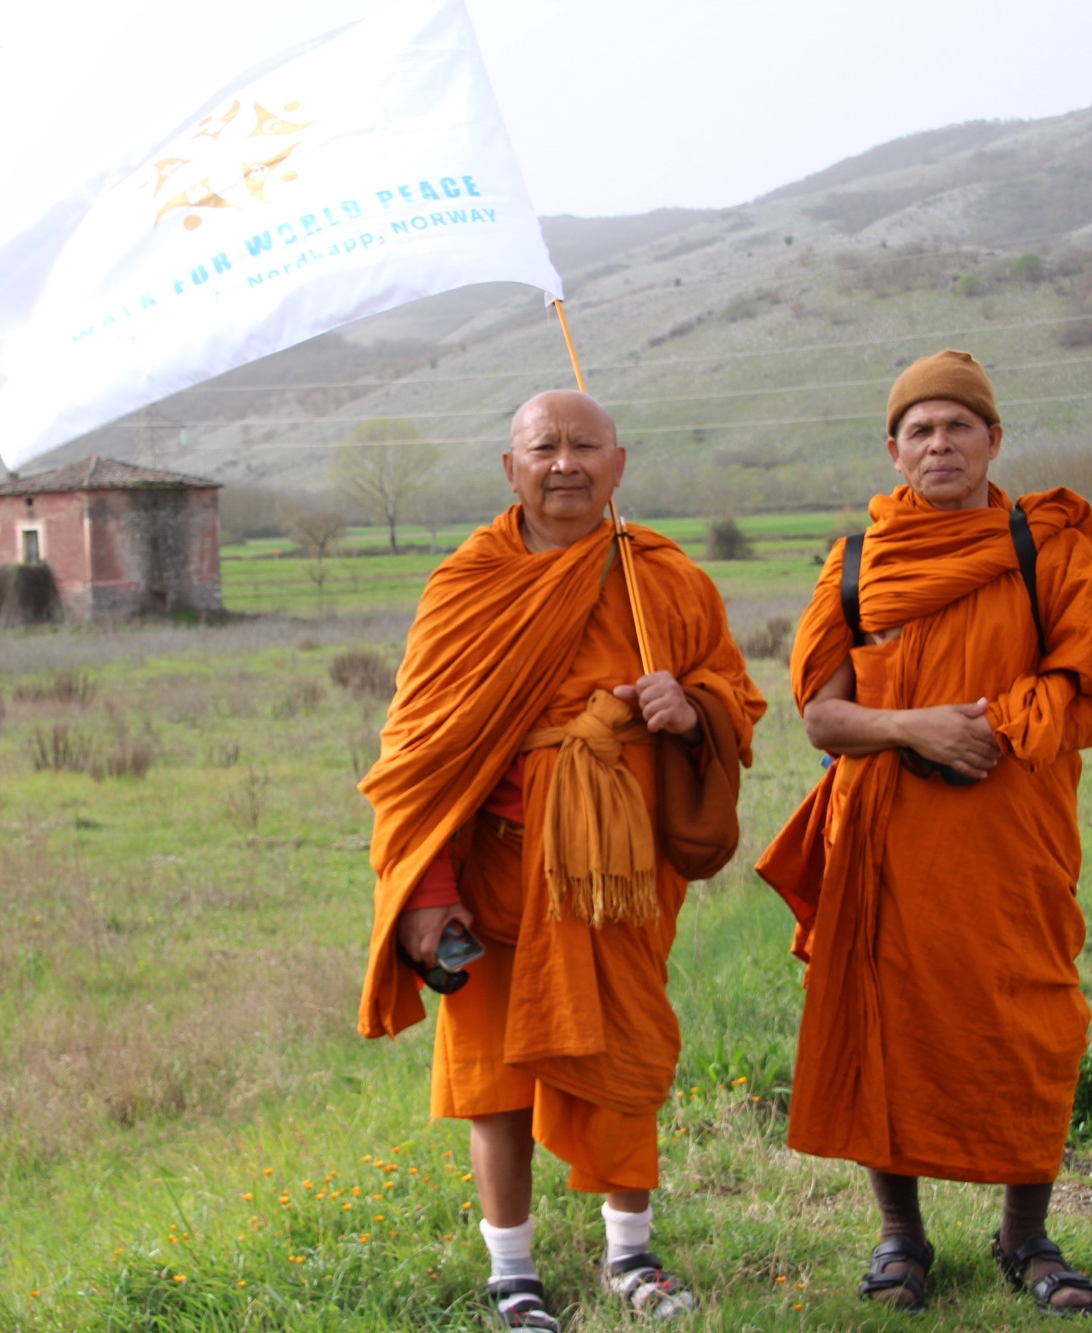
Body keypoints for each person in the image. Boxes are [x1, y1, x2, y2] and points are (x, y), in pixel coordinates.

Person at [756, 350, 1092, 1316]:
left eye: (958, 426)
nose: (939, 444)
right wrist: (915, 726)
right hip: (885, 841)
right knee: (886, 1022)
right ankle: (902, 1237)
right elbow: (820, 716)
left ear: (994, 440)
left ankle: (1027, 1234)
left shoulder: (1045, 547)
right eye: (920, 430)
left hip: (1012, 832)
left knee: (1033, 1017)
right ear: (893, 450)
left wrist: (998, 724)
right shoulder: (854, 565)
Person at [357, 390, 766, 1329]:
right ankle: (514, 1269)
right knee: (493, 1074)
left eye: (587, 445)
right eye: (545, 446)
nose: (566, 463)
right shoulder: (468, 583)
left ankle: (633, 1252)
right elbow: (417, 755)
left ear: (620, 463)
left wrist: (689, 704)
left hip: (619, 876)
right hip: (496, 866)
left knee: (622, 1047)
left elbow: (736, 698)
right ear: (511, 468)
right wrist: (427, 890)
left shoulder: (663, 578)